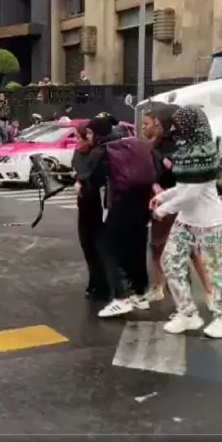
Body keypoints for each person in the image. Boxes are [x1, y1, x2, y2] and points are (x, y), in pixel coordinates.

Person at [149, 105, 222, 338]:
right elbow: (184, 186)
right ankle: (187, 313)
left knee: (217, 271)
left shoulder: (206, 152)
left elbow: (194, 192)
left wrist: (164, 209)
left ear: (190, 126)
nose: (174, 129)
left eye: (179, 125)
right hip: (186, 220)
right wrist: (162, 196)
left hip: (209, 222)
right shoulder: (188, 149)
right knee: (170, 262)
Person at [78, 113, 158, 318]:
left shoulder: (102, 151)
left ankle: (121, 297)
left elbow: (90, 183)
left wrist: (80, 185)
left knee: (105, 245)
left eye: (89, 133)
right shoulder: (136, 143)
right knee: (136, 247)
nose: (88, 136)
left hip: (121, 204)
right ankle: (140, 294)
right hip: (143, 204)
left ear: (96, 133)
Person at [142, 105, 213, 304]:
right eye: (150, 124)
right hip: (161, 201)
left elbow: (190, 183)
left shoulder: (185, 146)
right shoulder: (155, 145)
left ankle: (206, 293)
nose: (151, 128)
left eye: (155, 124)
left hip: (181, 205)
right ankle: (157, 288)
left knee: (189, 251)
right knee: (157, 247)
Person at [72, 122, 109, 302]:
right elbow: (79, 172)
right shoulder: (79, 154)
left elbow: (94, 179)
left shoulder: (98, 155)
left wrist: (82, 182)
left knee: (97, 247)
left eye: (79, 137)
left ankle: (102, 284)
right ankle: (94, 280)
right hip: (84, 205)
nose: (75, 141)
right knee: (87, 246)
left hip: (97, 206)